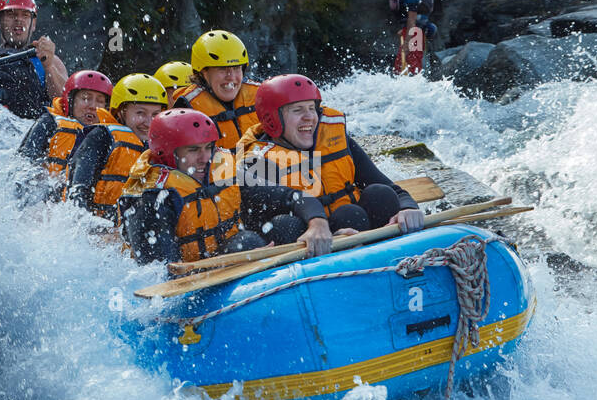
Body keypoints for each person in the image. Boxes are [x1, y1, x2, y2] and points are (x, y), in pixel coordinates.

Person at [237, 74, 425, 257]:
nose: (309, 117)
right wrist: (324, 231)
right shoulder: (256, 162)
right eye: (297, 110)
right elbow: (272, 212)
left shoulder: (336, 138)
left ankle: (392, 256)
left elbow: (392, 188)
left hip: (354, 227)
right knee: (285, 224)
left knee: (379, 195)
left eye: (312, 108)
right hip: (304, 246)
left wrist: (408, 208)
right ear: (272, 119)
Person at [119, 108, 273, 265]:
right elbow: (162, 274)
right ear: (166, 153)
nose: (205, 158)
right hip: (191, 276)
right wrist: (237, 260)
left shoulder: (220, 166)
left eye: (208, 147)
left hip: (220, 257)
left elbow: (284, 197)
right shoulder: (151, 198)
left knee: (286, 225)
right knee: (247, 243)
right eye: (193, 150)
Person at [65, 73, 167, 220]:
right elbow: (78, 189)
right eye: (140, 113)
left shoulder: (158, 150)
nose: (148, 122)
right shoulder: (101, 136)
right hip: (94, 229)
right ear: (121, 112)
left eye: (155, 114)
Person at [16, 69, 115, 193]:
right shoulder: (50, 123)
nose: (93, 106)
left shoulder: (107, 139)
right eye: (85, 98)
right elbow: (22, 166)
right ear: (70, 101)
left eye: (100, 101)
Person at [172, 30, 260, 149]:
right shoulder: (186, 109)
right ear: (203, 72)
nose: (231, 77)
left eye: (236, 68)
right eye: (222, 69)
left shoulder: (261, 96)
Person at [382, 0, 437, 76]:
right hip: (414, 30)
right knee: (400, 69)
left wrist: (407, 44)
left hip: (416, 31)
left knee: (411, 68)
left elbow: (412, 17)